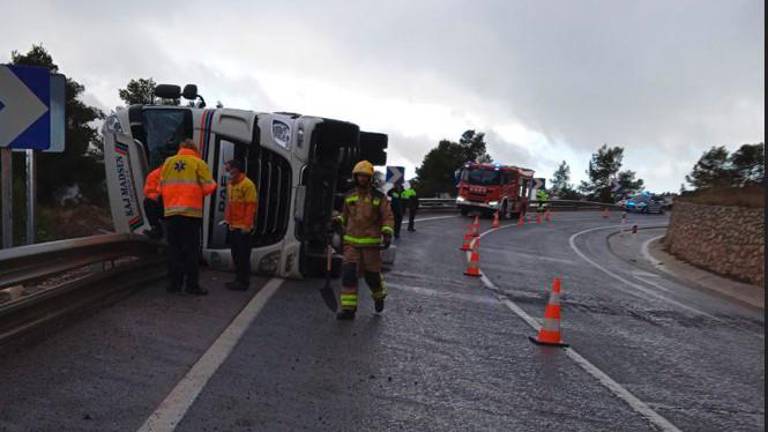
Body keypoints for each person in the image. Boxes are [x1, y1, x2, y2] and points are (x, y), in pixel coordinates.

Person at [336, 160, 395, 320]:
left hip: (371, 245)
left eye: (365, 176)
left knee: (372, 276)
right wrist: (337, 221)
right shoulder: (349, 196)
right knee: (348, 275)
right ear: (355, 177)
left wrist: (387, 232)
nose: (362, 179)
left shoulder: (379, 197)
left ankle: (379, 296)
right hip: (351, 244)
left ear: (370, 178)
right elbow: (344, 216)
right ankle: (348, 310)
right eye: (359, 176)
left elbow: (387, 217)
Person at [160, 139, 217, 295]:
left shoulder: (168, 162)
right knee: (191, 251)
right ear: (194, 149)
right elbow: (209, 186)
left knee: (174, 250)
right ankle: (192, 286)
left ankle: (174, 285)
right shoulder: (198, 163)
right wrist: (197, 193)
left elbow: (161, 185)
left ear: (181, 148)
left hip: (171, 213)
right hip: (191, 214)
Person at [223, 159, 258, 291]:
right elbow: (230, 205)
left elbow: (250, 207)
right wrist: (228, 221)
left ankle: (243, 282)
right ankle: (238, 280)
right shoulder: (231, 184)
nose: (227, 172)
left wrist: (247, 226)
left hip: (243, 227)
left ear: (236, 169)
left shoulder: (247, 185)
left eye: (228, 169)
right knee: (236, 255)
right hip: (233, 226)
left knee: (243, 256)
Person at [142, 167, 164, 239]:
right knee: (148, 202)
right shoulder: (155, 175)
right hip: (170, 205)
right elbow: (150, 194)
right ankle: (156, 229)